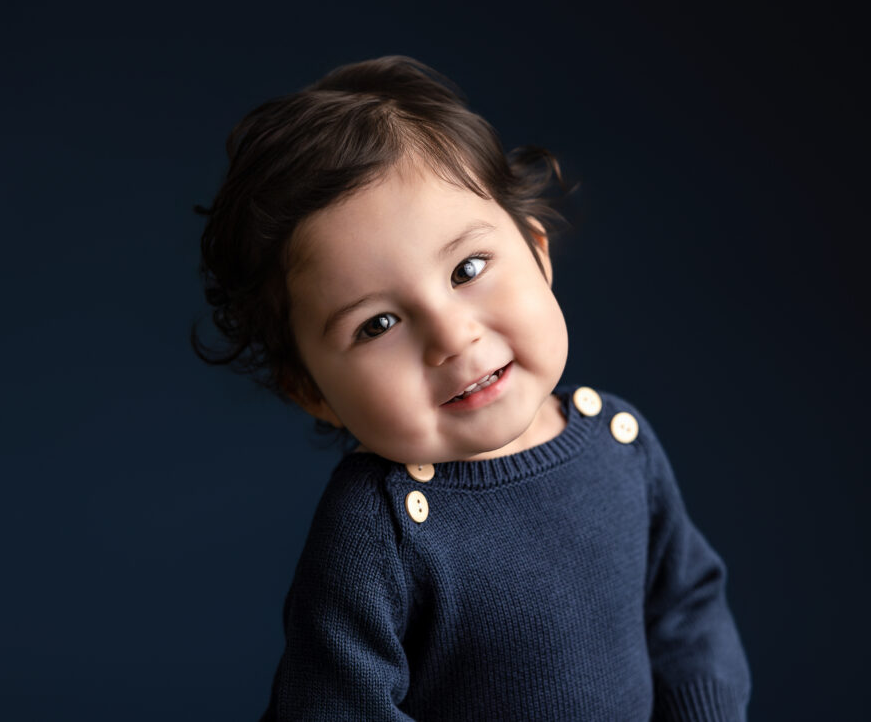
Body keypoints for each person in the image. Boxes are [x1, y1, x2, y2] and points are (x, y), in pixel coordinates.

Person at [193, 55, 751, 720]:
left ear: (539, 254)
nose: (451, 336)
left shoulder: (621, 445)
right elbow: (335, 706)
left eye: (468, 267)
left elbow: (687, 612)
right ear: (309, 389)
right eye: (379, 323)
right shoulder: (379, 529)